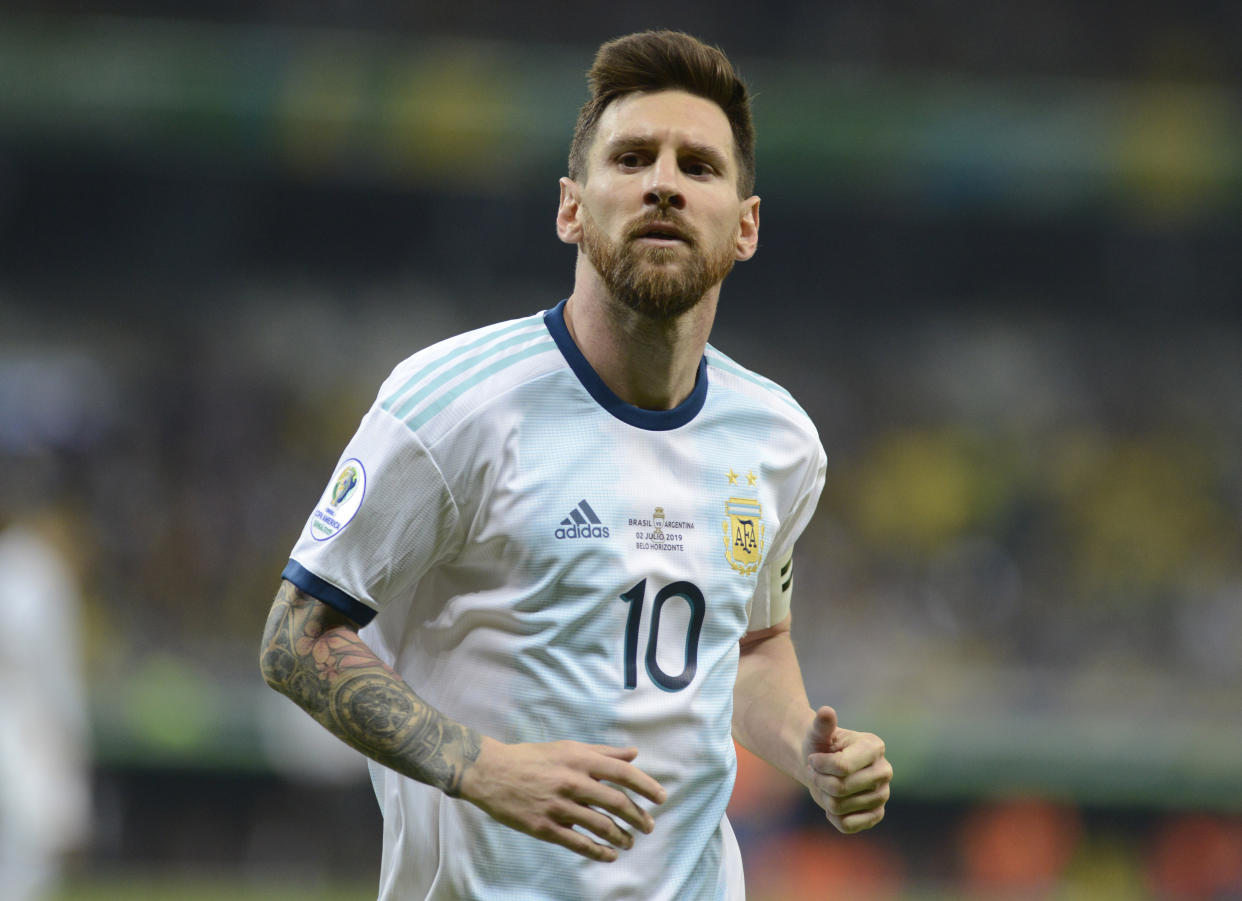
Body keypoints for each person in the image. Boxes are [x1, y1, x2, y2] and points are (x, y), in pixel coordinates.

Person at [260, 29, 892, 900]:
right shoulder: (448, 405)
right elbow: (295, 639)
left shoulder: (780, 440)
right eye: (632, 157)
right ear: (571, 207)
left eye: (698, 166)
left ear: (744, 227)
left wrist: (806, 753)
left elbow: (748, 646)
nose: (663, 182)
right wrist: (477, 765)